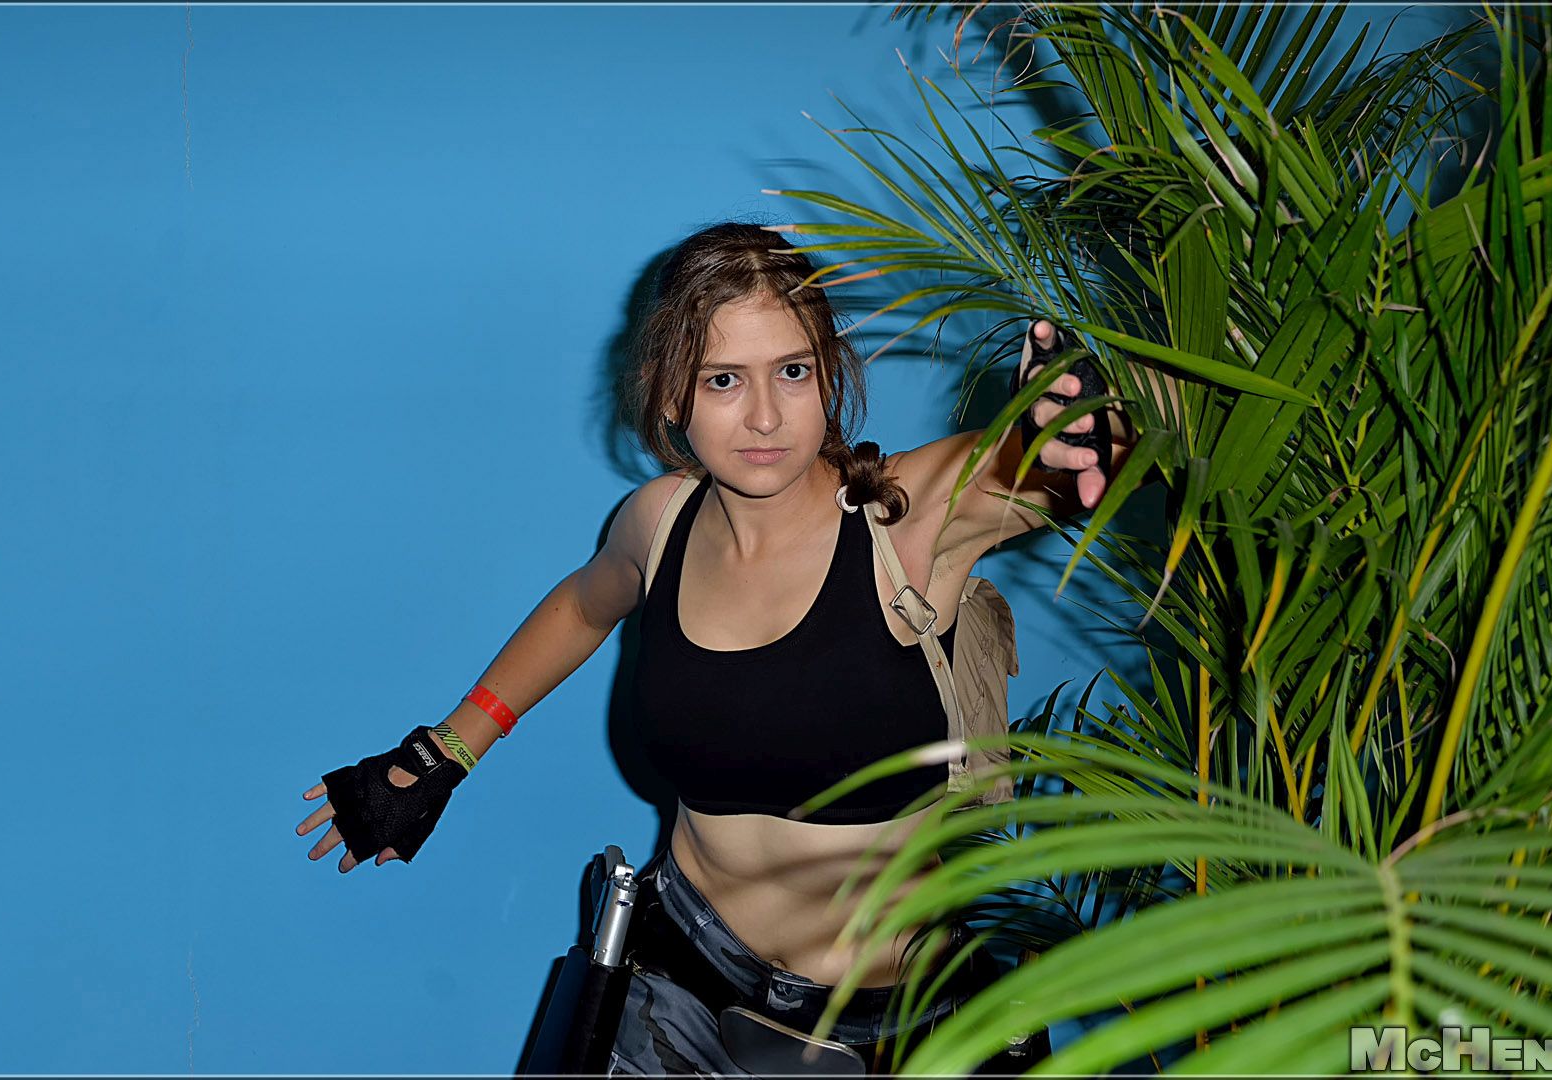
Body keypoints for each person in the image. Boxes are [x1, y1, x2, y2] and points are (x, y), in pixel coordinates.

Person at [294, 221, 1131, 1075]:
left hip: (898, 1032)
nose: (764, 415)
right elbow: (583, 606)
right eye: (723, 379)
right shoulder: (658, 523)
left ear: (828, 374)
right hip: (683, 988)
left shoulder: (904, 518)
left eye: (792, 372)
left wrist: (1075, 429)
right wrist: (445, 752)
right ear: (670, 396)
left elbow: (1028, 466)